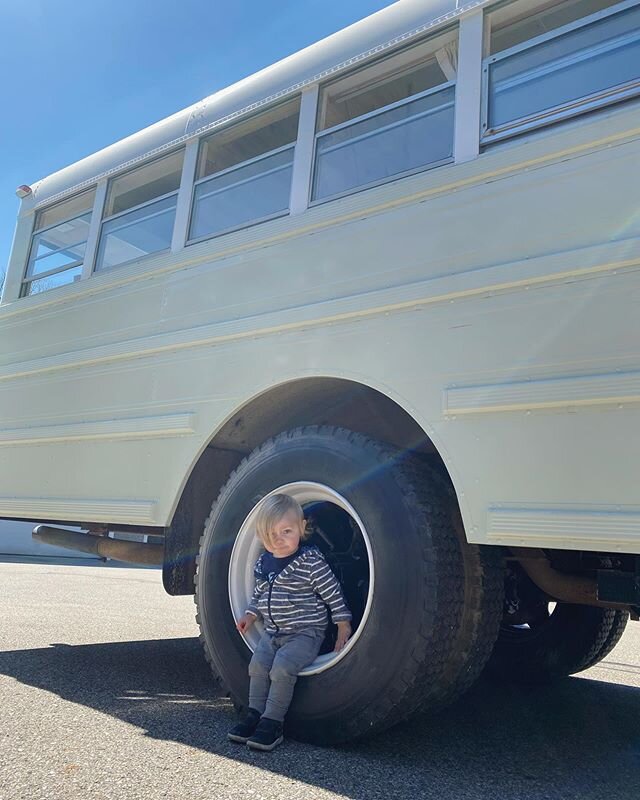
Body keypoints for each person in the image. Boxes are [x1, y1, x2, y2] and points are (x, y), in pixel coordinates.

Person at [228, 493, 352, 751]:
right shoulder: (264, 562)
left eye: (287, 531)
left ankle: (272, 723)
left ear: (302, 528)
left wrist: (343, 623)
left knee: (282, 668)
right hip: (274, 633)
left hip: (306, 633)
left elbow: (332, 592)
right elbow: (260, 593)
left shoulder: (310, 562)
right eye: (271, 534)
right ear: (261, 536)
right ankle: (254, 714)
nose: (279, 540)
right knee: (258, 665)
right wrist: (250, 615)